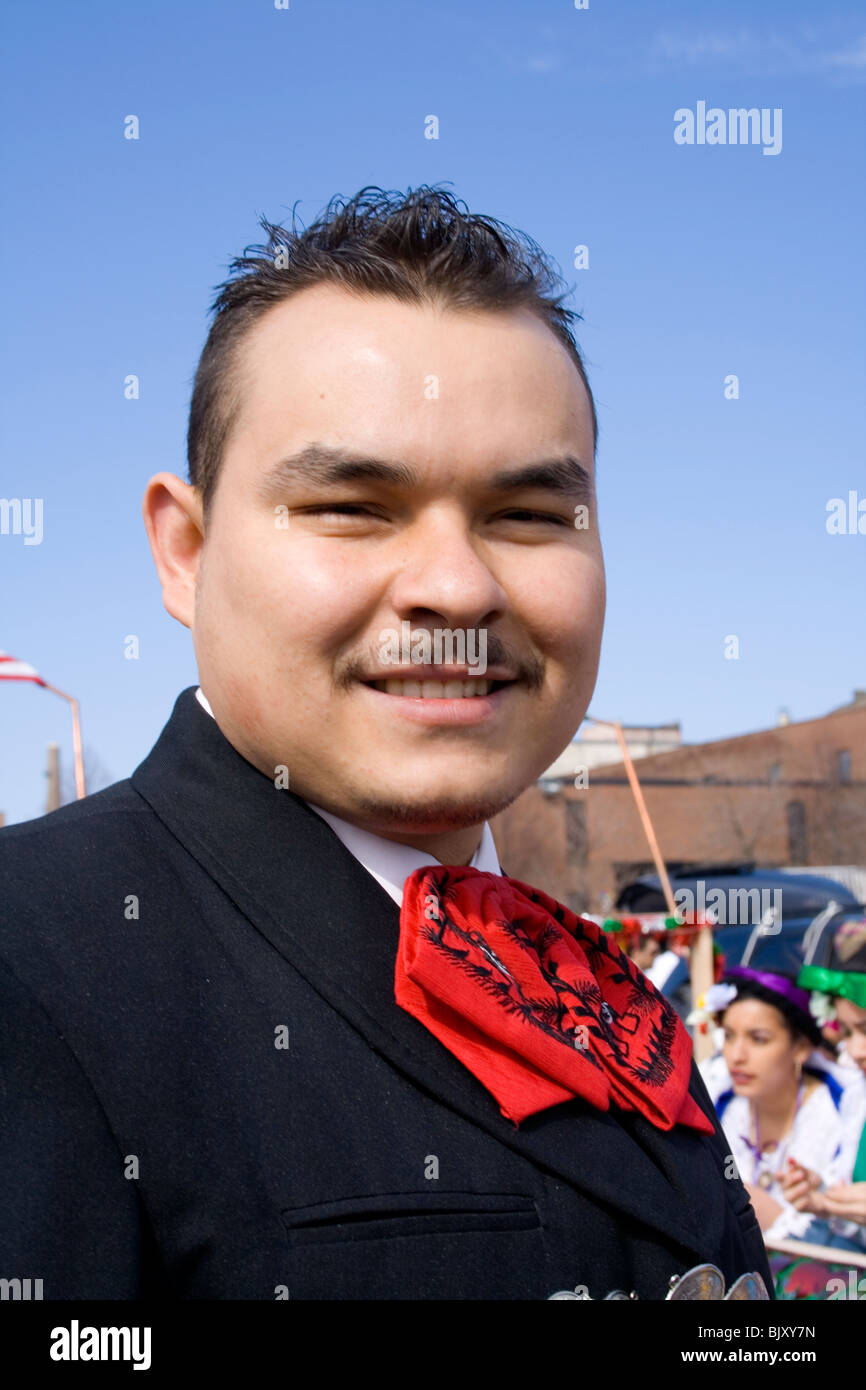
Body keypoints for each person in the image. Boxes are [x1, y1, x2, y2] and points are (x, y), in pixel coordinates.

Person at [0, 185, 771, 1300]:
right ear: (185, 550)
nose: (456, 586)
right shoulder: (33, 964)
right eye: (351, 506)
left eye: (526, 515)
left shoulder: (594, 982)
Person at [702, 967, 847, 1244]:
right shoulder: (723, 1110)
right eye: (730, 1036)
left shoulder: (838, 1119)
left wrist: (773, 1217)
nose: (736, 1055)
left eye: (758, 1039)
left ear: (801, 1048)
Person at [779, 915, 866, 1251]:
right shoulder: (857, 1097)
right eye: (846, 1032)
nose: (854, 1050)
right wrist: (821, 1195)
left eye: (865, 1029)